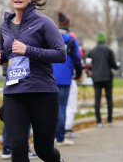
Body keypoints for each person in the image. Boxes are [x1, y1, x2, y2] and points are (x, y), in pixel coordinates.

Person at [0, 0, 66, 162]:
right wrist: (1, 56)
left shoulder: (44, 23)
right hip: (14, 91)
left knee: (44, 150)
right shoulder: (6, 25)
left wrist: (28, 50)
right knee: (17, 147)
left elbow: (60, 54)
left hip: (42, 92)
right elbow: (9, 52)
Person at [0, 36, 38, 160]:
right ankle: (15, 148)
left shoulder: (21, 30)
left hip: (18, 74)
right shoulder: (8, 31)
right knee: (18, 114)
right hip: (16, 74)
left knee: (14, 114)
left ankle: (9, 148)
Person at [53, 12, 82, 146]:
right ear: (68, 23)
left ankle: (50, 136)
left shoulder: (50, 36)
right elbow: (77, 59)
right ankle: (60, 138)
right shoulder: (71, 39)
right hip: (65, 77)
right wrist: (79, 73)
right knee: (62, 108)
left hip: (50, 76)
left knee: (50, 108)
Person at [87, 31, 119, 127]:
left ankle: (99, 121)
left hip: (96, 78)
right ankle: (110, 120)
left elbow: (89, 65)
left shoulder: (92, 51)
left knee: (97, 100)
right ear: (104, 39)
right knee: (109, 98)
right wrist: (117, 66)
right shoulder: (108, 50)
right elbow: (113, 64)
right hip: (107, 78)